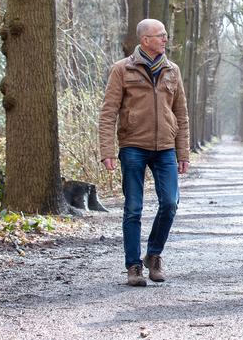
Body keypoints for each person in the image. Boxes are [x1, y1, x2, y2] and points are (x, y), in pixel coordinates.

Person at [99, 18, 190, 287]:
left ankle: (153, 255)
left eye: (165, 35)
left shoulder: (172, 70)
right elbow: (108, 113)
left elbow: (181, 114)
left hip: (165, 149)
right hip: (133, 147)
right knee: (133, 208)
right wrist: (107, 150)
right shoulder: (122, 70)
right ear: (144, 40)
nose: (165, 39)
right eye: (160, 35)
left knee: (170, 203)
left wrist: (183, 152)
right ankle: (133, 267)